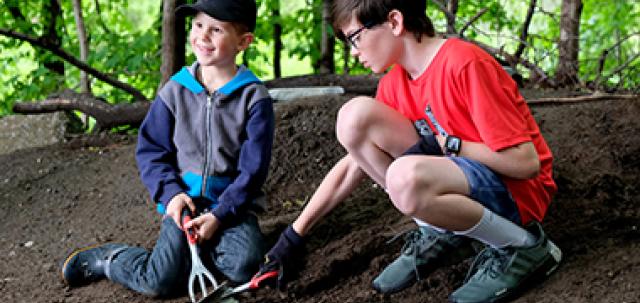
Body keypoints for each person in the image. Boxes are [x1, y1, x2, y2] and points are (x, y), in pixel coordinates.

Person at [257, 1, 562, 302]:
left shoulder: (464, 63)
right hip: (459, 185)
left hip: (516, 195)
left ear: (394, 21)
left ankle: (522, 246)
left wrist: (455, 145)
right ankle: (442, 231)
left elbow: (525, 163)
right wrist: (293, 236)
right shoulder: (394, 84)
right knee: (353, 118)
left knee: (404, 176)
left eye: (355, 37)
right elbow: (354, 164)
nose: (353, 51)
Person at [60, 0, 275, 297]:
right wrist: (171, 195)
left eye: (216, 29)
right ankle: (110, 259)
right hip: (184, 205)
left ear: (243, 41)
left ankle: (198, 253)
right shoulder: (175, 91)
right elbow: (151, 150)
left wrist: (220, 216)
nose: (202, 36)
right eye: (198, 25)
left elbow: (253, 171)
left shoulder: (254, 98)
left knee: (245, 266)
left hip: (231, 209)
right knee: (158, 281)